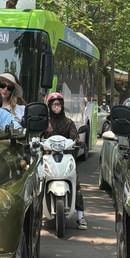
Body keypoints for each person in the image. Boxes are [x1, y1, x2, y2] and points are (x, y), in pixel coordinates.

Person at [45, 92, 87, 230]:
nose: (56, 107)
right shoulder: (45, 122)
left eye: (58, 104)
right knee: (37, 181)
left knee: (76, 181)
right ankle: (36, 213)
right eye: (54, 104)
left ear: (62, 106)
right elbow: (37, 136)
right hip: (48, 157)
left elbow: (75, 138)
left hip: (66, 157)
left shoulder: (69, 122)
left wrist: (77, 143)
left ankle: (80, 216)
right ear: (49, 106)